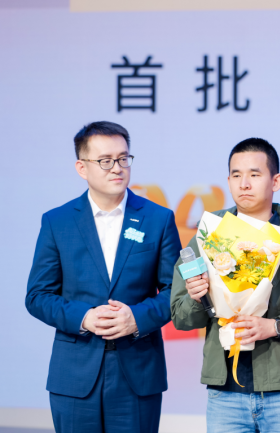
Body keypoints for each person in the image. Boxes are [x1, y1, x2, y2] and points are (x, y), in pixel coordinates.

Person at [25, 121, 182, 433]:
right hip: (74, 374)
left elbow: (177, 292)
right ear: (82, 168)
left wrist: (136, 318)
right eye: (105, 161)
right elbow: (37, 296)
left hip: (137, 371)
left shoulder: (158, 219)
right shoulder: (57, 222)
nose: (117, 168)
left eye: (123, 158)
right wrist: (84, 317)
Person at [170, 138, 280, 433]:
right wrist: (196, 297)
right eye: (236, 175)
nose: (244, 184)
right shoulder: (208, 236)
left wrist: (274, 326)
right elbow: (180, 316)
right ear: (228, 180)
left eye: (255, 174)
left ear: (275, 181)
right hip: (225, 394)